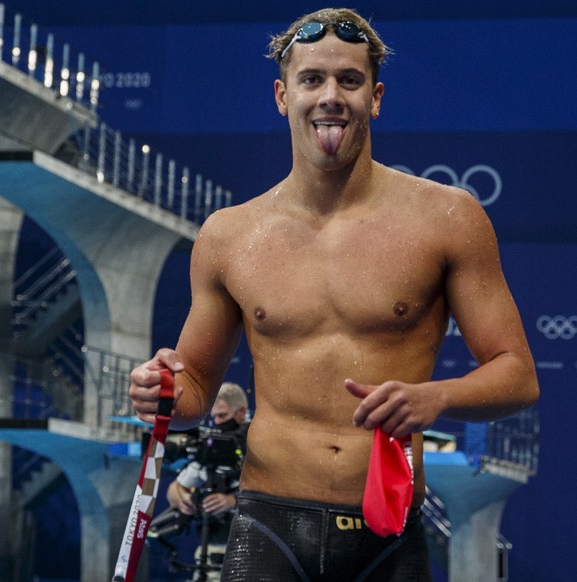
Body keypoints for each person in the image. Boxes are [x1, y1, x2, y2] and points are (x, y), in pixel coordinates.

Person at [130, 7, 539, 581]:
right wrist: (163, 390)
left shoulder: (448, 218)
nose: (330, 96)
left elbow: (518, 373)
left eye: (349, 80)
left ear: (375, 97)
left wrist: (435, 398)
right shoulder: (230, 235)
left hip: (386, 532)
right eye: (312, 79)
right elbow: (194, 387)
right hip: (268, 524)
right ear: (282, 94)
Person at [165, 382, 249, 581]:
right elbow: (174, 489)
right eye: (214, 418)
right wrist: (182, 500)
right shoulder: (210, 450)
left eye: (223, 416)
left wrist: (233, 502)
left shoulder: (257, 447)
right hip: (210, 551)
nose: (218, 423)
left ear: (241, 413)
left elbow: (276, 497)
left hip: (250, 551)